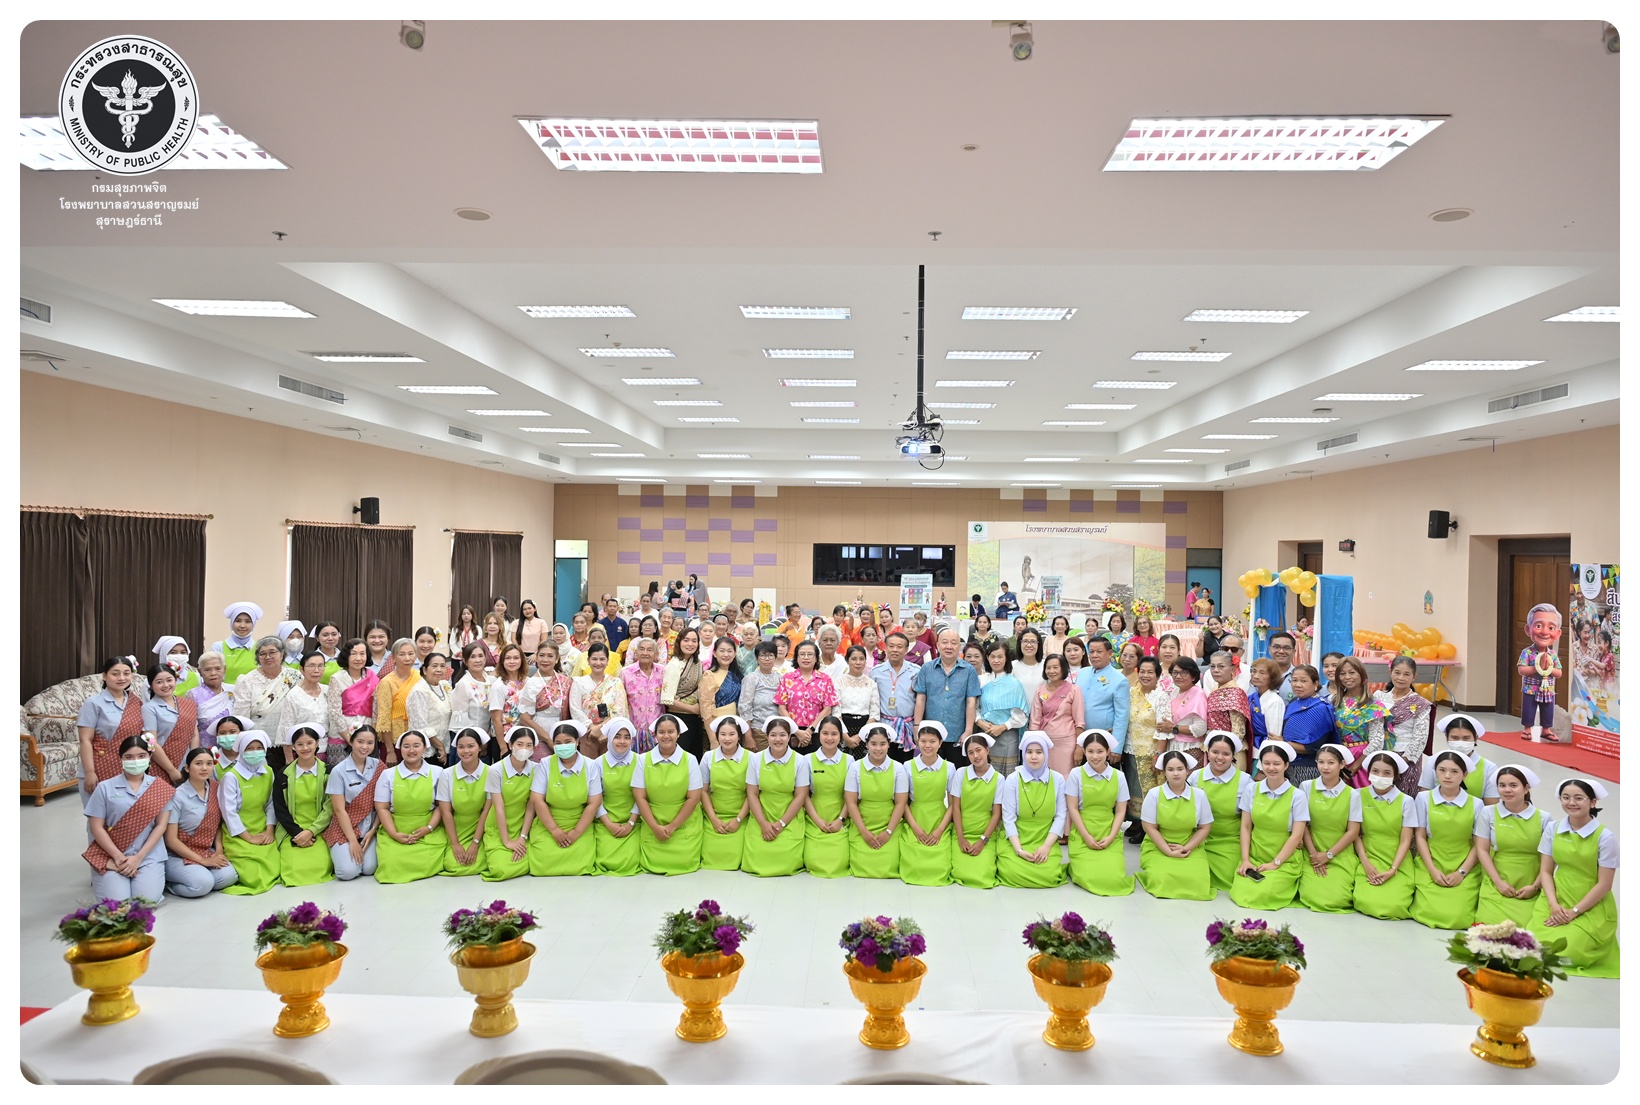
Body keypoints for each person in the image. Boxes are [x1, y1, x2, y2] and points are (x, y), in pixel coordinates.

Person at [1529, 777, 1619, 977]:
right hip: (1557, 896)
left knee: (1568, 951)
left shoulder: (1605, 837)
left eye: (1579, 798)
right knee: (1534, 946)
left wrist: (1574, 912)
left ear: (1593, 802)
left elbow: (1605, 884)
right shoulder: (1553, 829)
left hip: (1591, 902)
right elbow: (1546, 871)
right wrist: (1553, 905)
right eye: (1566, 797)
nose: (1571, 803)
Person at [82, 735, 173, 901]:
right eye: (129, 757)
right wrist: (118, 857)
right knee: (117, 905)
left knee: (145, 902)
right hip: (112, 856)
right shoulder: (105, 787)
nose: (135, 761)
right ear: (121, 759)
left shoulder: (160, 787)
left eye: (141, 756)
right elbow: (96, 827)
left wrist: (139, 858)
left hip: (148, 855)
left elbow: (161, 826)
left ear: (149, 757)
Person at [1229, 741, 1311, 910]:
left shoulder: (1297, 796)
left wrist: (1276, 863)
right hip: (1256, 855)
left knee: (1263, 894)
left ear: (1286, 765)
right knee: (1240, 892)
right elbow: (1245, 827)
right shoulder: (1252, 789)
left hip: (1284, 858)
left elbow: (1297, 835)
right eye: (1266, 763)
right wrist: (1245, 860)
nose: (1271, 768)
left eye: (1276, 764)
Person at [1410, 749, 1483, 929]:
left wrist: (1461, 873)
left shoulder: (1476, 804)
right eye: (1442, 770)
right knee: (1427, 911)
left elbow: (1479, 845)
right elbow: (1420, 836)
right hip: (1431, 860)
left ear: (1465, 775)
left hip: (1464, 862)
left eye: (1454, 771)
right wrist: (1432, 870)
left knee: (1459, 916)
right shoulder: (1423, 798)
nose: (1447, 776)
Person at [526, 720, 603, 877]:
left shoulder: (590, 765)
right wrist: (554, 830)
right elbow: (537, 800)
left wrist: (576, 832)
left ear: (577, 741)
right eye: (558, 743)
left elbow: (594, 803)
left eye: (568, 742)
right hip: (549, 822)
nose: (563, 746)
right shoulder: (545, 764)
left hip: (579, 822)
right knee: (543, 861)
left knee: (582, 861)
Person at [1136, 750, 1215, 900]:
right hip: (1158, 845)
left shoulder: (1199, 795)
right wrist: (1169, 852)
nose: (1176, 773)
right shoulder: (1154, 794)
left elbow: (1205, 827)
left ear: (1187, 771)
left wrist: (1186, 848)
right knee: (1163, 879)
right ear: (1164, 772)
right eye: (1170, 769)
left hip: (1191, 846)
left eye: (1180, 769)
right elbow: (1149, 827)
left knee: (1198, 882)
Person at [631, 714, 704, 875]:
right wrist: (655, 827)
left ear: (678, 734)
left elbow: (693, 799)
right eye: (661, 732)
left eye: (671, 732)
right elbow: (640, 797)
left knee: (685, 861)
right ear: (655, 735)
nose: (666, 736)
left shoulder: (690, 760)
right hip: (653, 821)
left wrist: (672, 827)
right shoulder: (643, 760)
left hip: (683, 823)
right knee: (651, 862)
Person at [1472, 764, 1545, 927]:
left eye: (1513, 785)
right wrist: (1498, 882)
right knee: (1489, 928)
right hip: (1496, 881)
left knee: (1531, 930)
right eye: (1502, 785)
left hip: (1530, 883)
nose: (1507, 790)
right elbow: (1482, 850)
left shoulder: (1543, 818)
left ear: (1526, 788)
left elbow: (1549, 858)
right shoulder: (1488, 813)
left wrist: (1535, 887)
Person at [373, 731, 449, 883]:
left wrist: (428, 828)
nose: (411, 750)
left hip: (428, 830)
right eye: (406, 746)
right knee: (390, 864)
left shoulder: (438, 772)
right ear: (400, 749)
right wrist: (394, 834)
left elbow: (441, 806)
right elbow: (382, 808)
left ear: (425, 748)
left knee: (433, 860)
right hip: (396, 828)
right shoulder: (388, 774)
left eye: (416, 745)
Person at [1065, 729, 1134, 896]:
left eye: (1100, 751)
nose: (1095, 756)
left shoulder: (1118, 776)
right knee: (1089, 877)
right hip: (1083, 832)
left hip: (1108, 831)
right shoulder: (1076, 774)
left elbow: (1120, 811)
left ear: (1108, 752)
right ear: (1084, 751)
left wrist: (1111, 837)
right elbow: (1072, 808)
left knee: (1114, 879)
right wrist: (1086, 837)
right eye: (1090, 751)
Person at [162, 747, 238, 897]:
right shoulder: (177, 796)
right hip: (177, 855)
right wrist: (203, 861)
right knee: (202, 884)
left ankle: (199, 875)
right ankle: (169, 885)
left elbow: (217, 825)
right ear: (187, 768)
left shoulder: (216, 788)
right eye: (198, 763)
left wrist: (218, 851)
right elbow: (170, 840)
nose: (204, 768)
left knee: (229, 877)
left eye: (209, 763)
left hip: (205, 849)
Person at [1353, 751, 1420, 920]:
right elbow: (1355, 835)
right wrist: (1366, 864)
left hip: (1397, 859)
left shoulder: (1406, 801)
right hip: (1368, 855)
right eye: (1375, 771)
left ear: (1395, 775)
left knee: (1394, 905)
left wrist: (1393, 870)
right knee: (1365, 901)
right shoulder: (1358, 795)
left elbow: (1406, 840)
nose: (1380, 776)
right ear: (1368, 772)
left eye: (1387, 773)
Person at [1297, 744, 1364, 913]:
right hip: (1311, 850)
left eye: (1331, 763)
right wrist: (1314, 855)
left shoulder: (1352, 794)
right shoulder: (1306, 787)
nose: (1325, 767)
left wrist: (1328, 855)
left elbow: (1353, 831)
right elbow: (1302, 824)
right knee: (1311, 894)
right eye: (1321, 762)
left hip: (1340, 852)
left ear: (1342, 764)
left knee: (1337, 899)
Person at [997, 732, 1067, 889]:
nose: (1034, 757)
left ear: (1046, 754)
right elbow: (1008, 819)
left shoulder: (1058, 779)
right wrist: (1019, 850)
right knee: (1012, 872)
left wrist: (1046, 847)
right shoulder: (1013, 779)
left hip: (1045, 838)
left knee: (1049, 875)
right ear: (1023, 754)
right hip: (1018, 838)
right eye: (1029, 752)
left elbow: (1061, 816)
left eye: (1039, 752)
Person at [743, 717, 812, 877]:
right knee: (757, 856)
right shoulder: (756, 759)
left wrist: (781, 824)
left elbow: (800, 796)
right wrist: (763, 824)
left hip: (789, 816)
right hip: (762, 814)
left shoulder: (800, 761)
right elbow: (752, 794)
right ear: (767, 737)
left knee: (787, 858)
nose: (778, 739)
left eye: (782, 735)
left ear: (789, 737)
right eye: (773, 735)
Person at [844, 723, 909, 879]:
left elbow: (900, 803)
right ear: (866, 745)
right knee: (861, 864)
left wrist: (888, 832)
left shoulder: (898, 768)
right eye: (873, 744)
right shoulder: (855, 767)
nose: (878, 748)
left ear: (889, 745)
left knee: (889, 864)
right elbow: (851, 802)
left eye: (882, 744)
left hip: (890, 824)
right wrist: (864, 832)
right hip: (862, 823)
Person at [893, 721, 954, 887]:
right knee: (913, 861)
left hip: (939, 819)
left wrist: (940, 830)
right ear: (917, 741)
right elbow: (902, 802)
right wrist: (915, 828)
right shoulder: (907, 766)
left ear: (940, 743)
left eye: (932, 741)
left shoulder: (949, 767)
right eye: (923, 741)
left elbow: (952, 805)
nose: (927, 745)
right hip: (914, 818)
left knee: (940, 862)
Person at [1189, 732, 1253, 891]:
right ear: (1207, 751)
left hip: (1229, 840)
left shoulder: (1245, 781)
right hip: (1197, 839)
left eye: (1226, 754)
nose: (1220, 757)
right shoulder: (1195, 777)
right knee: (1191, 876)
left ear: (1233, 756)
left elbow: (1250, 820)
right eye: (1215, 752)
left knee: (1231, 878)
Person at [271, 725, 333, 887]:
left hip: (320, 830)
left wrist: (311, 831)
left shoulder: (328, 772)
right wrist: (298, 833)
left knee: (321, 865)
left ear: (317, 743)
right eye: (300, 744)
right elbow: (280, 809)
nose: (305, 748)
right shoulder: (283, 775)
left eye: (309, 743)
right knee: (292, 868)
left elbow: (329, 808)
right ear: (293, 747)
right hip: (291, 832)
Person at [218, 731, 280, 895]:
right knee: (254, 876)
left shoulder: (268, 772)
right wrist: (249, 838)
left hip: (262, 828)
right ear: (241, 751)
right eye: (250, 748)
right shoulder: (231, 777)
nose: (255, 752)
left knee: (277, 867)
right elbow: (229, 812)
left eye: (259, 748)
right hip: (238, 833)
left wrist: (269, 831)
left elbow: (271, 804)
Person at [324, 726, 385, 882]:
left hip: (369, 829)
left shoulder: (379, 766)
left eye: (370, 743)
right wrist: (352, 841)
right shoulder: (339, 771)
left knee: (370, 868)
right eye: (360, 742)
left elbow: (383, 804)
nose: (365, 747)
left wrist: (373, 830)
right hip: (345, 829)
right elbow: (339, 810)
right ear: (351, 741)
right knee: (347, 873)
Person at [914, 628, 981, 766]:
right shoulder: (927, 668)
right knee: (931, 771)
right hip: (931, 735)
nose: (949, 646)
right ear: (938, 645)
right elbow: (921, 699)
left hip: (957, 734)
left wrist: (968, 730)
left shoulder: (969, 670)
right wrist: (917, 726)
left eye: (954, 643)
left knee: (956, 773)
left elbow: (971, 702)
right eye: (945, 642)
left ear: (959, 647)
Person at [483, 726, 538, 882]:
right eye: (520, 744)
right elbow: (498, 808)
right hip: (499, 827)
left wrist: (522, 837)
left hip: (524, 826)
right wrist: (507, 841)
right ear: (510, 745)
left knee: (538, 862)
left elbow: (531, 807)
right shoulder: (496, 770)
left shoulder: (537, 769)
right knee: (501, 869)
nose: (524, 749)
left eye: (528, 745)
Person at [949, 733, 1004, 890]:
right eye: (971, 752)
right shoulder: (961, 773)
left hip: (985, 833)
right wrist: (960, 838)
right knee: (959, 871)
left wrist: (983, 841)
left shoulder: (999, 779)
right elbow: (956, 807)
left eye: (978, 750)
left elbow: (996, 814)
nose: (975, 756)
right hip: (962, 830)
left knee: (984, 874)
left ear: (987, 750)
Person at [590, 718, 643, 877]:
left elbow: (642, 797)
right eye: (617, 737)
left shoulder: (640, 761)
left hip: (634, 820)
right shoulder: (598, 764)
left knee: (631, 861)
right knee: (605, 860)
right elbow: (595, 799)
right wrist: (609, 824)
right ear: (610, 738)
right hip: (605, 820)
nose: (622, 741)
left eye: (627, 737)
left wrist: (630, 823)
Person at [700, 715, 752, 871]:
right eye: (723, 734)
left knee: (736, 854)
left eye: (732, 734)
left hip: (742, 816)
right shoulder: (708, 757)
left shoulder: (751, 758)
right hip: (713, 815)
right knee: (709, 854)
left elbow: (752, 794)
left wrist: (738, 819)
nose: (727, 738)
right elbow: (703, 791)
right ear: (717, 736)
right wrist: (713, 819)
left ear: (739, 736)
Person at [802, 716, 852, 878]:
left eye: (834, 734)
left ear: (840, 736)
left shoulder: (849, 760)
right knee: (812, 859)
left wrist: (840, 820)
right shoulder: (807, 760)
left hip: (841, 815)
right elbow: (804, 796)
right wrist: (817, 821)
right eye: (825, 733)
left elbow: (851, 797)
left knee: (840, 860)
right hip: (814, 815)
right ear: (819, 735)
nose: (829, 738)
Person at [437, 728, 490, 877]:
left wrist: (475, 843)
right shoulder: (447, 774)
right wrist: (455, 844)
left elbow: (486, 811)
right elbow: (446, 812)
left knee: (484, 861)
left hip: (482, 829)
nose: (465, 751)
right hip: (456, 828)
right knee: (451, 864)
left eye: (470, 746)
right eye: (461, 747)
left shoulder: (491, 773)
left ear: (480, 747)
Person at [1375, 656, 1432, 794]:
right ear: (1390, 672)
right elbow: (1373, 728)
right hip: (1380, 754)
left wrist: (1401, 762)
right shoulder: (1378, 697)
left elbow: (1420, 737)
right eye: (1397, 672)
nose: (1401, 678)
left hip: (1407, 757)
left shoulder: (1420, 703)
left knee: (1404, 796)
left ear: (1414, 676)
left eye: (1407, 674)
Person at [1074, 637, 1130, 775]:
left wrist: (1116, 747)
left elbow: (1122, 715)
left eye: (1099, 651)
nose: (1094, 655)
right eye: (1091, 652)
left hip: (1105, 740)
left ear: (1110, 654)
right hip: (1081, 738)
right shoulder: (1082, 673)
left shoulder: (1119, 680)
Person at [233, 639, 299, 750]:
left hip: (290, 742)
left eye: (272, 652)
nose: (267, 657)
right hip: (257, 743)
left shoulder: (294, 676)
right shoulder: (247, 680)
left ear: (282, 654)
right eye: (262, 654)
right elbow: (241, 716)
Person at [775, 640, 837, 754]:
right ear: (796, 658)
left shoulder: (825, 679)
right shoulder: (787, 678)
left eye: (810, 654)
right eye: (802, 654)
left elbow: (828, 708)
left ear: (816, 658)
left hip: (817, 731)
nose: (806, 657)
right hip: (792, 732)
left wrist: (810, 730)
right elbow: (781, 708)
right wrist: (796, 731)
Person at [1030, 654, 1085, 778]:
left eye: (1055, 667)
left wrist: (1079, 747)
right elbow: (1035, 721)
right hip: (1044, 743)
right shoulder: (1040, 691)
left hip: (1067, 744)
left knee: (1066, 778)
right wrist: (1034, 745)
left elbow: (1079, 721)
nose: (1051, 671)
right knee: (1046, 778)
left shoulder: (1074, 690)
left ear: (1063, 668)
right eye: (1048, 668)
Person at [270, 652, 328, 765]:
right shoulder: (293, 695)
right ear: (302, 669)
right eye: (311, 666)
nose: (317, 670)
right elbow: (285, 729)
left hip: (325, 751)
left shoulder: (327, 691)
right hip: (302, 753)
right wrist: (289, 761)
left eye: (321, 666)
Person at [326, 639, 378, 768]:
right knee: (340, 774)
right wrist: (348, 737)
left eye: (362, 654)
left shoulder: (373, 677)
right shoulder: (337, 678)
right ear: (346, 656)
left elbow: (376, 708)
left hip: (366, 735)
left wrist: (372, 734)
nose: (358, 658)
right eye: (353, 654)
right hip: (341, 736)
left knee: (368, 774)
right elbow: (334, 710)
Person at [1277, 665, 1333, 784]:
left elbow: (1313, 747)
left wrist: (1283, 743)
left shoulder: (1320, 708)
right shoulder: (1293, 703)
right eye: (1294, 680)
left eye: (1303, 681)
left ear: (1315, 683)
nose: (1297, 685)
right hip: (1287, 763)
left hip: (1308, 767)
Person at [517, 642, 573, 762]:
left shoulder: (565, 681)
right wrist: (548, 739)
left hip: (563, 735)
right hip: (540, 735)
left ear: (557, 658)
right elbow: (525, 719)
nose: (545, 660)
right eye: (541, 655)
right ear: (536, 657)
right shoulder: (531, 684)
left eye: (550, 656)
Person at [1517, 602, 1564, 743]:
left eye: (1551, 628)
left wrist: (1549, 668)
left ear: (1558, 633)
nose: (1544, 632)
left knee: (1547, 710)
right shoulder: (1527, 652)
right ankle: (1527, 728)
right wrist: (1537, 668)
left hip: (1548, 689)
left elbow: (1559, 673)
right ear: (1528, 629)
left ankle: (1546, 729)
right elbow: (1521, 669)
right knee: (1529, 709)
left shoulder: (1552, 655)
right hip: (1530, 688)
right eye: (1538, 626)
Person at [870, 631, 920, 762]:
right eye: (891, 646)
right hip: (884, 725)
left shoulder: (916, 671)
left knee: (906, 764)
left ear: (906, 649)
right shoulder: (876, 672)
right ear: (885, 647)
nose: (895, 650)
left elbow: (920, 701)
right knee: (883, 763)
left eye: (899, 646)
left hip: (907, 726)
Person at [372, 639, 423, 765]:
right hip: (394, 742)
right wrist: (390, 751)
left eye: (411, 654)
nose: (407, 658)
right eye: (402, 654)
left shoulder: (419, 677)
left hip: (417, 737)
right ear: (393, 658)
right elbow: (384, 718)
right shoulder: (387, 682)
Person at [141, 664, 195, 784]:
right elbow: (151, 742)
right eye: (159, 682)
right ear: (151, 685)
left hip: (187, 765)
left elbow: (194, 735)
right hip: (161, 766)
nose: (165, 685)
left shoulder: (188, 704)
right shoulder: (149, 708)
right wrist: (171, 771)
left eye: (169, 680)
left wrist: (194, 761)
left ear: (175, 680)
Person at [659, 628, 708, 757]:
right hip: (679, 718)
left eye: (694, 641)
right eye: (686, 640)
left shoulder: (697, 663)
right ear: (679, 642)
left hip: (696, 718)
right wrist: (692, 709)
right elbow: (666, 699)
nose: (690, 644)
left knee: (695, 756)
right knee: (681, 757)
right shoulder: (674, 665)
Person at [1331, 656, 1386, 766]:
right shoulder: (1333, 701)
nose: (1347, 677)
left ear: (1362, 674)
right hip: (1338, 757)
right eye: (1342, 674)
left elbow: (1377, 740)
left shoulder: (1373, 704)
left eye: (1352, 672)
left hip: (1363, 758)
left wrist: (1356, 766)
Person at [1434, 714, 1501, 805]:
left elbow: (1491, 806)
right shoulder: (1433, 761)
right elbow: (1426, 797)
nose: (1460, 743)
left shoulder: (1489, 767)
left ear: (1475, 738)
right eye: (1455, 738)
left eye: (1466, 738)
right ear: (1447, 737)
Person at [449, 643, 497, 765]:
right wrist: (478, 742)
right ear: (465, 661)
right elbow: (461, 719)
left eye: (480, 656)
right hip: (468, 743)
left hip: (487, 738)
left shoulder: (491, 681)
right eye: (473, 657)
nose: (477, 660)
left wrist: (486, 737)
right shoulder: (463, 684)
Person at [832, 644, 881, 754]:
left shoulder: (871, 683)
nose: (858, 662)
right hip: (842, 729)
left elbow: (874, 713)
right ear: (847, 660)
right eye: (854, 659)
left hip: (865, 730)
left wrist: (860, 736)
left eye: (861, 659)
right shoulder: (839, 682)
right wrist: (845, 737)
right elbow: (836, 711)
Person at [208, 601, 264, 689]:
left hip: (253, 694)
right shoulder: (218, 647)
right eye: (238, 621)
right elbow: (213, 675)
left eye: (247, 621)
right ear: (231, 623)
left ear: (253, 624)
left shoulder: (260, 648)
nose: (242, 625)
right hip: (224, 694)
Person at [186, 651, 234, 748]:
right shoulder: (193, 695)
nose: (213, 673)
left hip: (233, 748)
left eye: (218, 668)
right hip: (205, 749)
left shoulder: (233, 690)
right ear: (200, 672)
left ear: (224, 669)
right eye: (207, 670)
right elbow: (191, 728)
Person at [699, 637, 746, 736]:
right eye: (722, 651)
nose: (726, 654)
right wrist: (713, 739)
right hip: (716, 728)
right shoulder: (709, 675)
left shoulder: (737, 676)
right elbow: (705, 710)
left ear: (735, 654)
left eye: (730, 651)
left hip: (735, 727)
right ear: (714, 653)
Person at [487, 644, 529, 743]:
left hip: (523, 735)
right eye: (508, 658)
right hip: (504, 738)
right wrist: (503, 747)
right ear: (502, 661)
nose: (512, 661)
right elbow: (496, 719)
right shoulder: (498, 686)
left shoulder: (528, 682)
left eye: (516, 658)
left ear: (522, 660)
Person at [1247, 658, 1285, 758]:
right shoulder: (1251, 697)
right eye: (1254, 671)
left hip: (1262, 752)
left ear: (1272, 677)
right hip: (1250, 749)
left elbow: (1273, 736)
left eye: (1262, 673)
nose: (1256, 676)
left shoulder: (1274, 701)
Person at [1011, 627, 1046, 702]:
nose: (1029, 645)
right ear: (1019, 644)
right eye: (1025, 641)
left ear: (1039, 644)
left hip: (1042, 708)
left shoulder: (1046, 665)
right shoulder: (1012, 666)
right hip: (1017, 709)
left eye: (1033, 642)